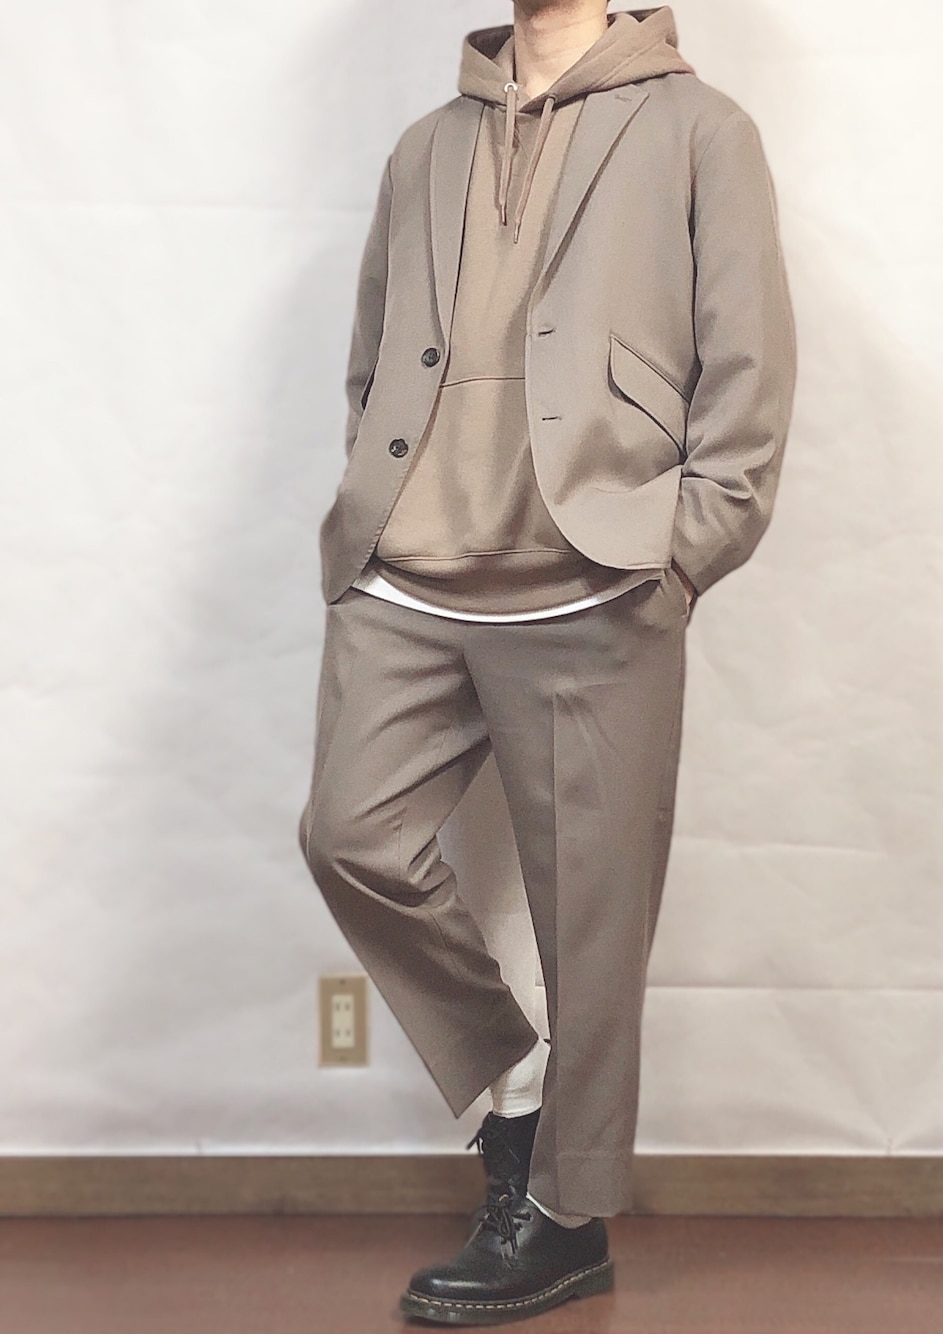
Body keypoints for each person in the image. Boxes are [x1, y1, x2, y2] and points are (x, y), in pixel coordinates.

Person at [299, 1, 796, 1324]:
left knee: (592, 927)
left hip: (596, 580)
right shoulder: (425, 145)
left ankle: (566, 1218)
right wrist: (368, 508)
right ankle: (515, 1088)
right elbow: (372, 360)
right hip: (407, 576)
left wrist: (682, 553)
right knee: (350, 835)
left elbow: (749, 369)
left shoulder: (700, 130)